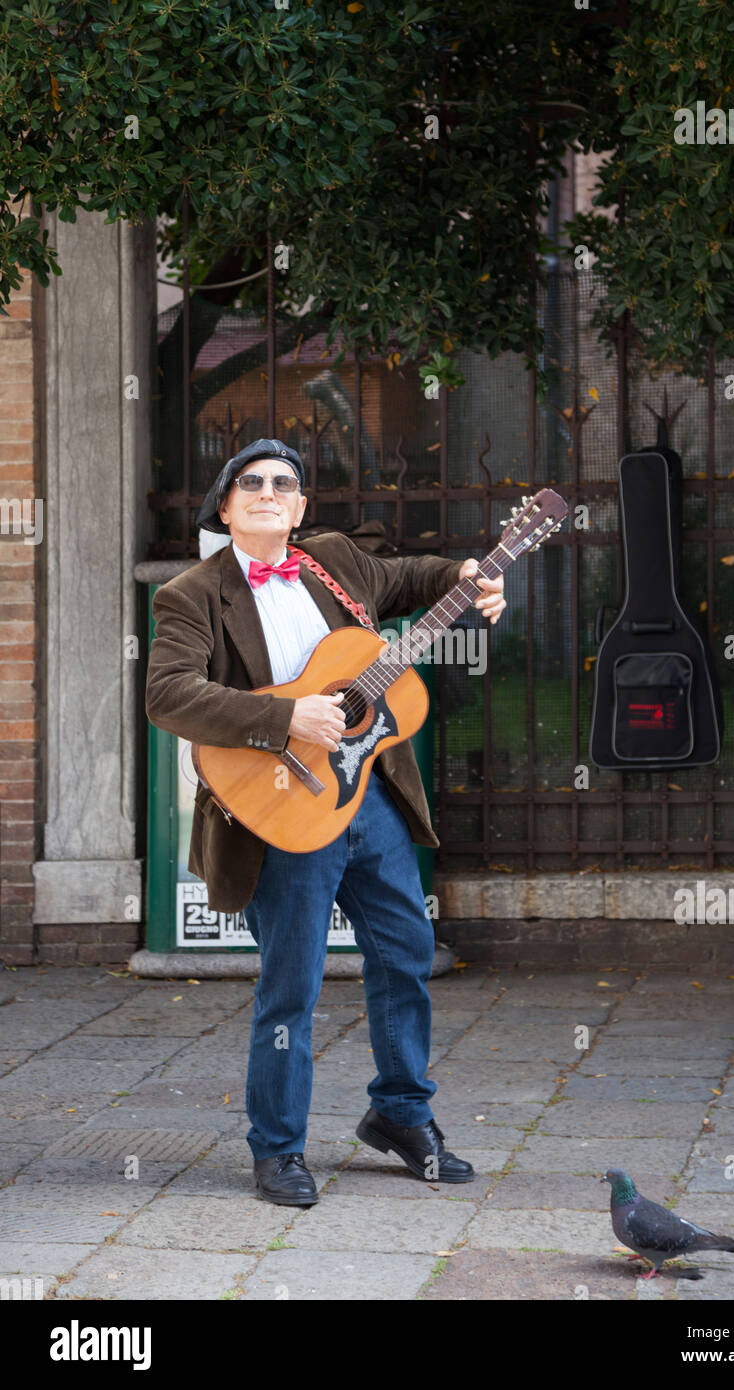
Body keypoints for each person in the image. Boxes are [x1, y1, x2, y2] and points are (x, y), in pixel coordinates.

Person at [145, 438, 506, 1206]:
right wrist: (283, 715)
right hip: (281, 811)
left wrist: (472, 578)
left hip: (368, 798)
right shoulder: (191, 594)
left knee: (407, 953)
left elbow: (421, 577)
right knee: (292, 984)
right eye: (251, 483)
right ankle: (277, 1149)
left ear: (302, 508)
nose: (269, 491)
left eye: (284, 483)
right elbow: (169, 695)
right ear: (226, 505)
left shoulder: (335, 560)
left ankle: (402, 1115)